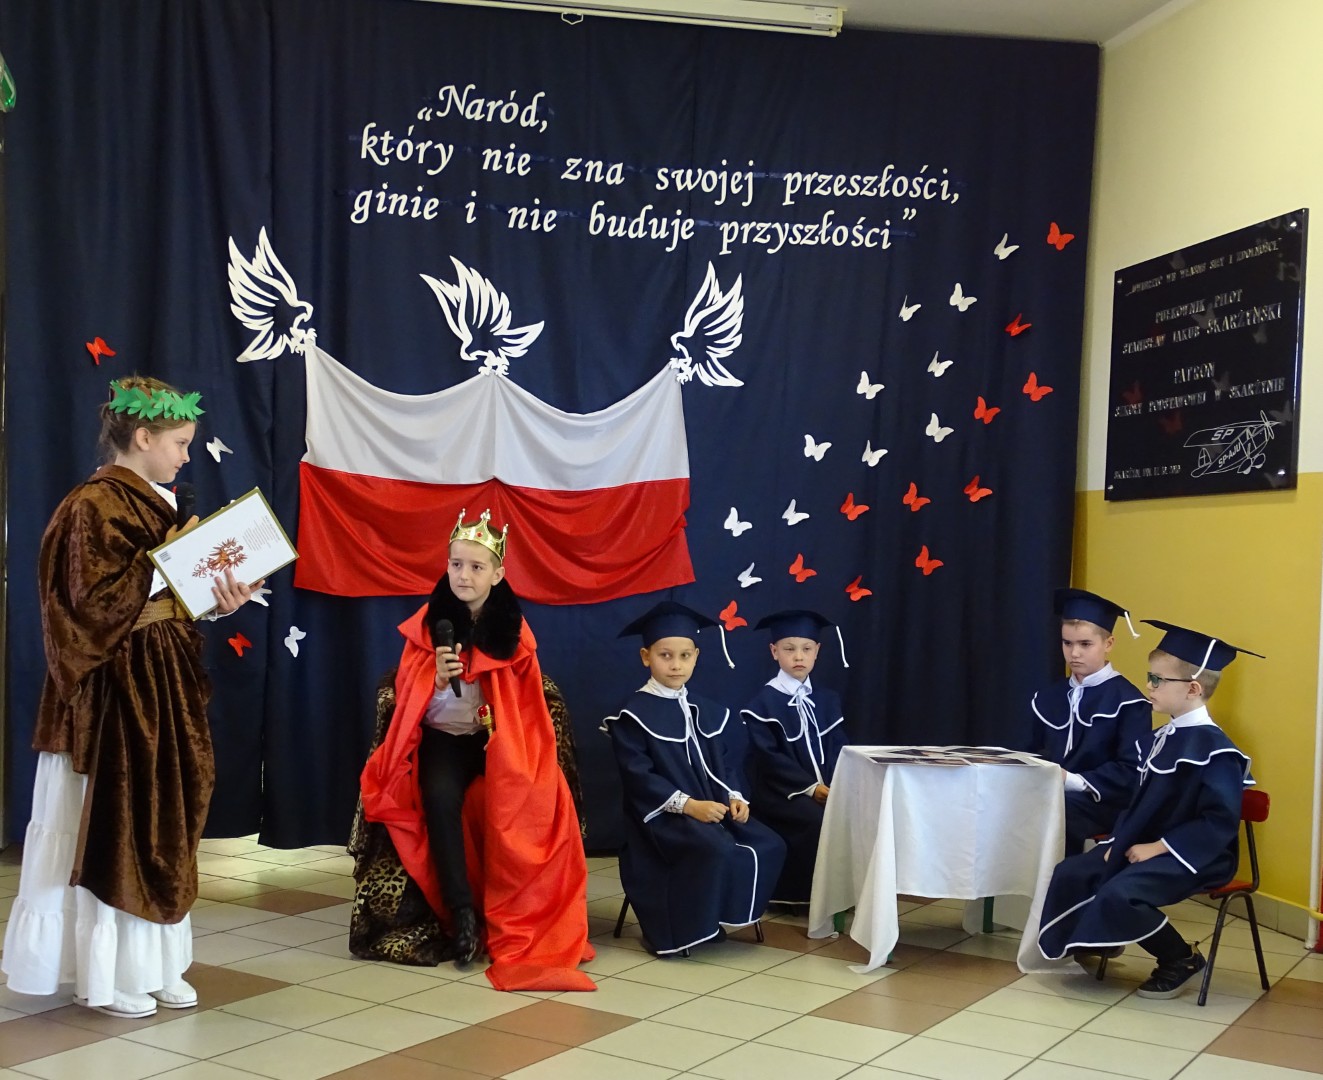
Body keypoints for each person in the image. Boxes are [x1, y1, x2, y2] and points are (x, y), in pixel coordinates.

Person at [2, 377, 261, 1019]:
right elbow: (85, 608)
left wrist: (215, 599)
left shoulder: (157, 506)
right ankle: (104, 970)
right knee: (114, 819)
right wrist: (166, 562)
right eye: (178, 443)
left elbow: (165, 599)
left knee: (159, 815)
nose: (185, 457)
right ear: (142, 437)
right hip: (110, 691)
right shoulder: (91, 506)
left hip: (160, 680)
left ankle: (153, 962)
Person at [358, 509, 594, 991]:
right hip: (445, 738)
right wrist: (435, 680)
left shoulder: (512, 631)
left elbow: (524, 702)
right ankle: (462, 913)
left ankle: (516, 910)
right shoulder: (430, 624)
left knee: (522, 799)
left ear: (498, 574)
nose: (463, 575)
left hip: (497, 740)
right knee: (440, 797)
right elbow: (408, 697)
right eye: (456, 564)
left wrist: (506, 731)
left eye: (476, 567)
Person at [1036, 621, 1259, 999]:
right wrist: (1119, 842)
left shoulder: (1217, 751)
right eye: (1149, 677)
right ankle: (1099, 938)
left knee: (1122, 891)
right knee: (1074, 871)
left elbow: (1217, 822)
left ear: (1192, 689)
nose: (1149, 686)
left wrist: (1158, 847)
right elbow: (1140, 805)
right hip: (1147, 844)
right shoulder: (1160, 739)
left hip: (1195, 854)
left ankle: (1180, 958)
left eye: (1158, 680)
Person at [604, 601, 786, 956]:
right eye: (665, 655)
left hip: (712, 809)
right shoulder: (631, 715)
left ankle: (719, 917)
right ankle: (684, 929)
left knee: (769, 843)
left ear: (696, 656)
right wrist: (689, 806)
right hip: (661, 819)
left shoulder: (706, 710)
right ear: (646, 657)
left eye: (685, 656)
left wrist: (736, 796)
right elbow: (639, 778)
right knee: (714, 847)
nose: (676, 665)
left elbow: (725, 764)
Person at [1028, 588, 1152, 852]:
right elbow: (1033, 751)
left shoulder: (1129, 702)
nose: (1074, 653)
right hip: (1050, 792)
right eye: (1067, 643)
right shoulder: (1048, 697)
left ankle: (1062, 876)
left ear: (1108, 644)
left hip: (1103, 800)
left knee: (1058, 810)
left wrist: (1071, 780)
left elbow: (1130, 770)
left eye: (1085, 644)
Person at [740, 609, 846, 906]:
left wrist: (839, 785)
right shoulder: (763, 704)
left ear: (817, 652)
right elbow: (770, 759)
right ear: (774, 652)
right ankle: (803, 898)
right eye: (789, 649)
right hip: (781, 793)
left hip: (826, 789)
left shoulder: (827, 700)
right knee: (815, 820)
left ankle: (843, 893)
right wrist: (812, 789)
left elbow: (838, 747)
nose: (798, 656)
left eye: (806, 649)